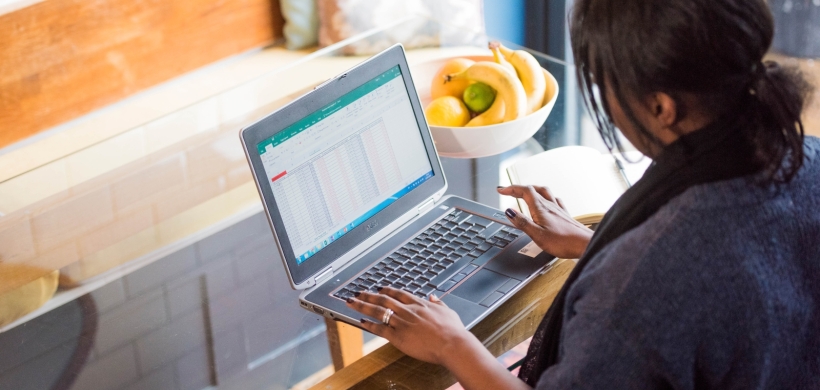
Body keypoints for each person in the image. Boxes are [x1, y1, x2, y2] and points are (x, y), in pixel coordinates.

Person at [345, 0, 820, 388]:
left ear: (661, 108)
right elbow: (718, 283)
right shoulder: (806, 158)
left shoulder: (640, 279)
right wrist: (596, 245)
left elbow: (671, 284)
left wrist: (452, 343)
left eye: (604, 83)